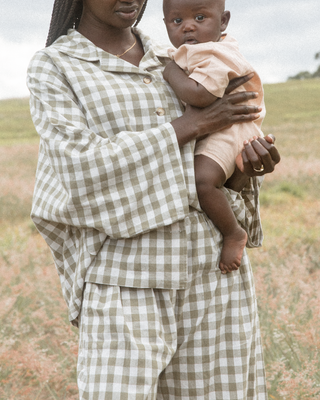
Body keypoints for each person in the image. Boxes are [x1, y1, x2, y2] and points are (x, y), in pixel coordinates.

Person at [27, 0, 280, 399]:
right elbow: (82, 171)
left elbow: (218, 150)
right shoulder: (57, 66)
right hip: (125, 277)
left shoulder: (180, 57)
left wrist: (244, 168)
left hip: (212, 272)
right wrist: (187, 126)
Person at [163, 0, 267, 275]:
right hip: (222, 126)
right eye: (177, 21)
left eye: (200, 17)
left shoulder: (216, 53)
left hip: (233, 127)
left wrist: (170, 70)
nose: (188, 26)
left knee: (202, 181)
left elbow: (199, 94)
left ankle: (233, 232)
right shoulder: (197, 50)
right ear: (165, 24)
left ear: (223, 21)